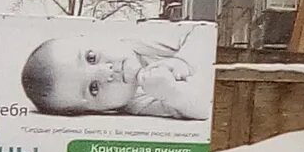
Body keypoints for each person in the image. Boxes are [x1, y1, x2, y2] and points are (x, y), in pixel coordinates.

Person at [18, 25, 209, 122]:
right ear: (100, 111)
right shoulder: (138, 103)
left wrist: (182, 61)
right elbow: (202, 111)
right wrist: (172, 93)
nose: (106, 72)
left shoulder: (139, 38)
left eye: (91, 57)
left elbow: (203, 32)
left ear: (91, 37)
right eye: (94, 89)